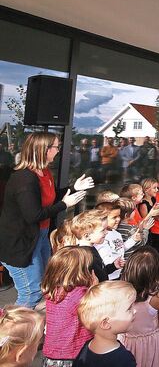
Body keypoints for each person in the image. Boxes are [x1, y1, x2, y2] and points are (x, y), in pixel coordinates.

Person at [0, 132, 92, 308]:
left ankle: (24, 327)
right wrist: (64, 205)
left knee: (41, 283)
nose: (58, 150)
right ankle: (14, 332)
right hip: (20, 243)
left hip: (39, 237)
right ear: (44, 149)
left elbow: (51, 197)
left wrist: (73, 188)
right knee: (31, 292)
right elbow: (33, 215)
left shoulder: (44, 172)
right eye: (56, 147)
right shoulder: (24, 178)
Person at [40, 246, 96, 366]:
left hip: (51, 353)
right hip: (74, 355)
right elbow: (97, 315)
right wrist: (95, 289)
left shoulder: (53, 290)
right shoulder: (81, 295)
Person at [120, 247, 159, 367]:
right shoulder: (158, 298)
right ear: (155, 274)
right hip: (150, 344)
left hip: (124, 342)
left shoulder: (120, 292)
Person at [74, 281, 137, 367]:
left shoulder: (87, 347)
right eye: (129, 308)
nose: (135, 310)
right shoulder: (124, 360)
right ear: (105, 323)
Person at [72, 210, 122, 282]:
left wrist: (113, 266)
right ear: (87, 236)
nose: (106, 232)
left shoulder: (91, 249)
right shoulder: (85, 256)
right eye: (103, 230)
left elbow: (100, 272)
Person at [95, 200, 140, 280]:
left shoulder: (116, 233)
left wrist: (133, 240)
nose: (118, 219)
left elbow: (120, 248)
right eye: (114, 217)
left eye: (119, 216)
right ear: (102, 218)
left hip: (117, 273)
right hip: (107, 276)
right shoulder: (99, 237)